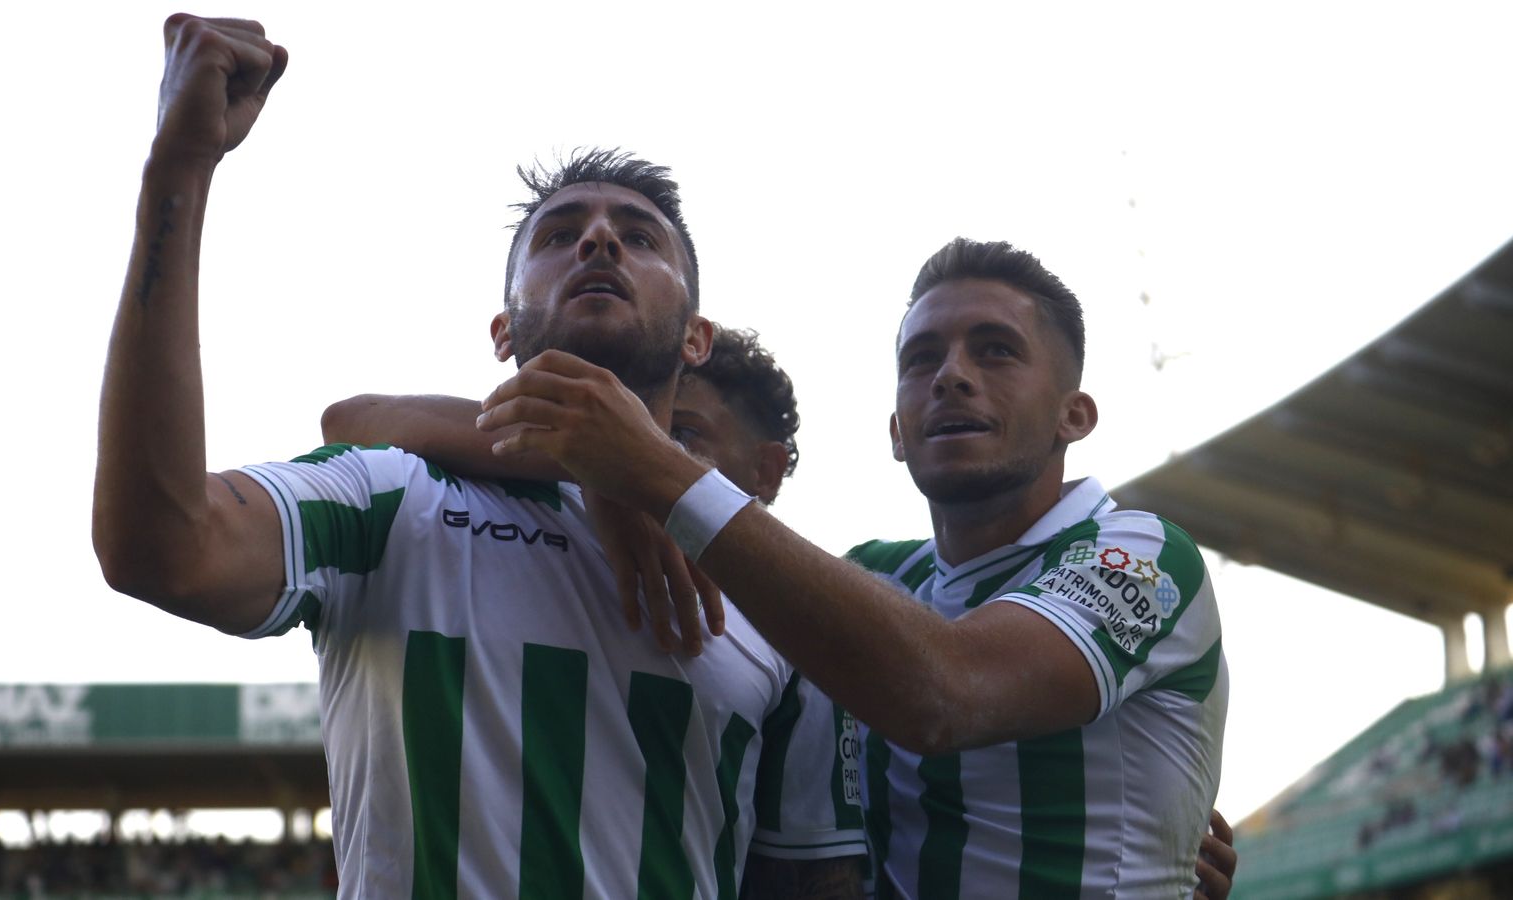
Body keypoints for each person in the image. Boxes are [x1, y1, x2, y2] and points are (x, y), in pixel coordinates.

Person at [92, 15, 863, 898]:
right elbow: (160, 547)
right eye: (559, 232)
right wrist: (179, 172)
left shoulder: (770, 592)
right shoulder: (395, 498)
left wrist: (634, 473)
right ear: (504, 330)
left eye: (640, 236)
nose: (600, 240)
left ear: (696, 338)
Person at [338, 321, 1238, 898]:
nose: (953, 378)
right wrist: (594, 466)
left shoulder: (1140, 550)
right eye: (922, 359)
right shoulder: (853, 591)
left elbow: (946, 689)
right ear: (894, 430)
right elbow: (357, 417)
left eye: (995, 351)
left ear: (1074, 412)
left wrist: (637, 467)